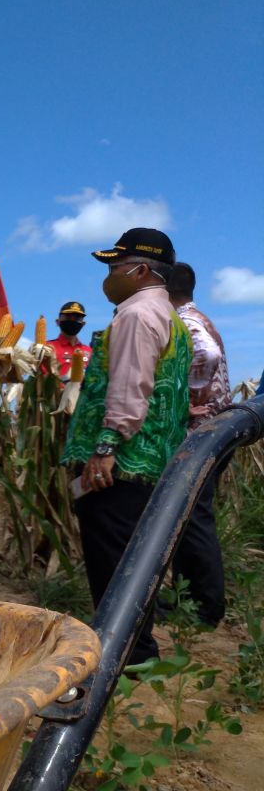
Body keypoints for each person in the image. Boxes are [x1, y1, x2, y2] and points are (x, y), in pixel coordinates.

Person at [61, 227, 193, 665]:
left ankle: (126, 652)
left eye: (116, 267)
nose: (109, 276)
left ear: (139, 270)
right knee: (132, 555)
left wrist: (105, 447)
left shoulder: (136, 315)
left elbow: (130, 387)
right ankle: (136, 646)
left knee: (113, 557)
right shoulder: (169, 315)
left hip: (122, 463)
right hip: (148, 460)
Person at [165, 261, 230, 625]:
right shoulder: (196, 315)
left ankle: (205, 609)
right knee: (189, 518)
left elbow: (207, 353)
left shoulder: (186, 322)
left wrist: (190, 396)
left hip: (199, 433)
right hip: (210, 431)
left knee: (194, 519)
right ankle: (189, 600)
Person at [44, 301, 93, 377]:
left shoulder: (90, 352)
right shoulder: (46, 348)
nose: (72, 320)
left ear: (83, 324)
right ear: (58, 322)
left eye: (77, 318)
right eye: (68, 317)